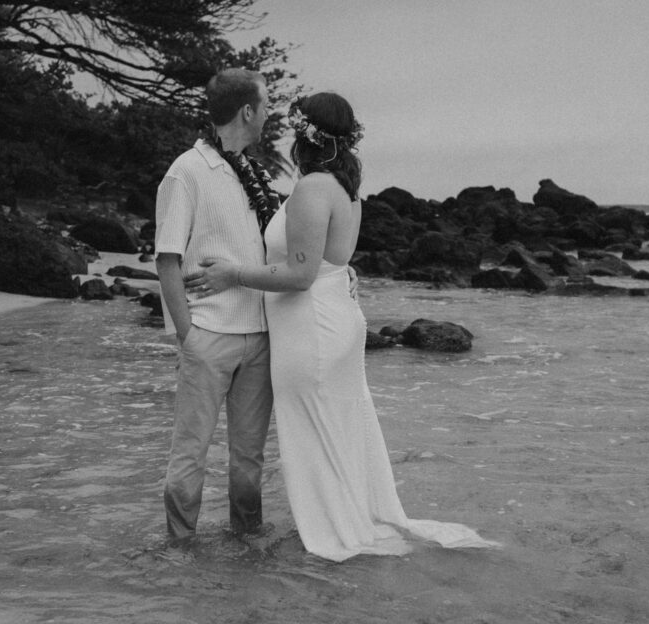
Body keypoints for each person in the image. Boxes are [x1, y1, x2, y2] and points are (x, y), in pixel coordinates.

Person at [186, 92, 500, 561]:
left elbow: (300, 274)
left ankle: (337, 528)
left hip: (311, 327)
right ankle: (344, 517)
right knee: (334, 428)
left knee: (317, 432)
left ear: (305, 134)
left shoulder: (314, 187)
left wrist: (230, 273)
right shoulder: (345, 187)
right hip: (329, 321)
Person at [154, 68, 282, 543]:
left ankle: (246, 548)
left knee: (249, 458)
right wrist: (187, 336)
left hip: (260, 336)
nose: (269, 113)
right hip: (209, 337)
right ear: (247, 110)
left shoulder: (255, 173)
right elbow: (166, 258)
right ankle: (180, 550)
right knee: (191, 452)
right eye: (266, 104)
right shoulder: (187, 170)